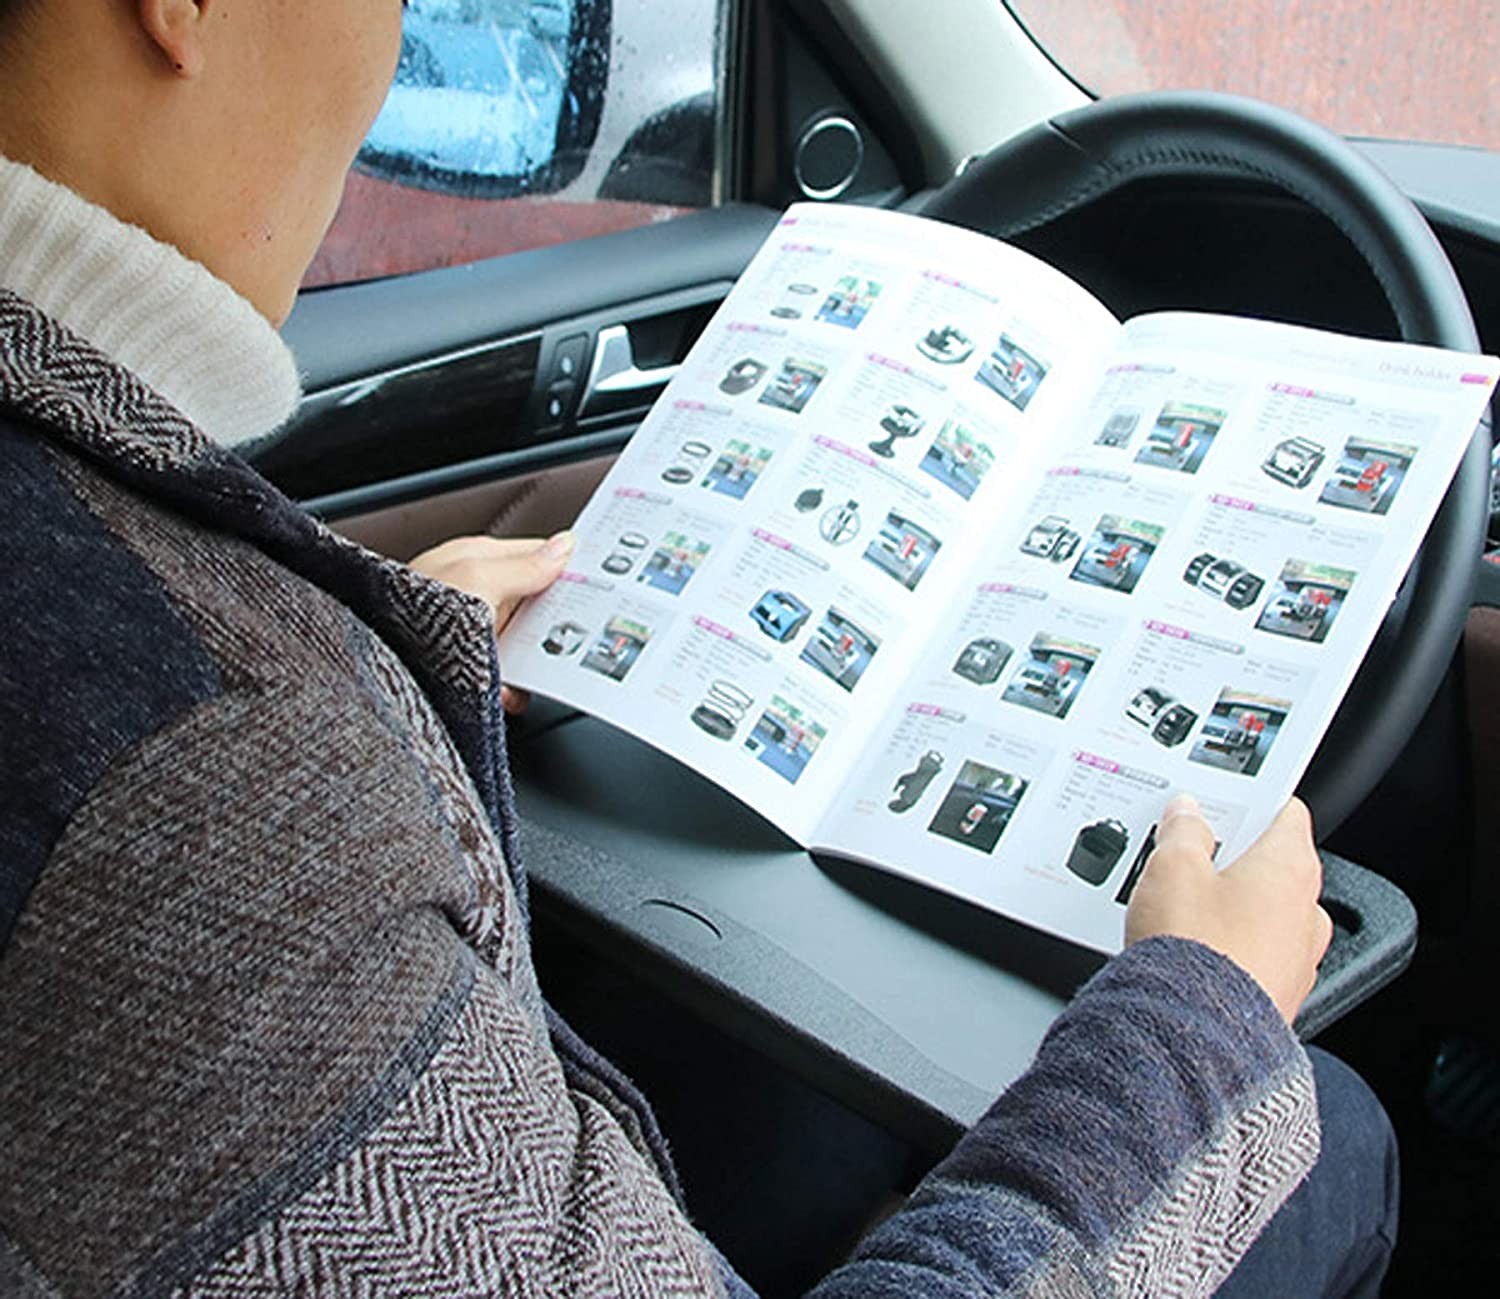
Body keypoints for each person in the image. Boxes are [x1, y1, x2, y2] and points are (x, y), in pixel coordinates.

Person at [0, 3, 1394, 1296]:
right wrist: (1195, 1026)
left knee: (804, 1121)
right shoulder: (214, 796)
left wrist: (381, 667)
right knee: (1331, 1133)